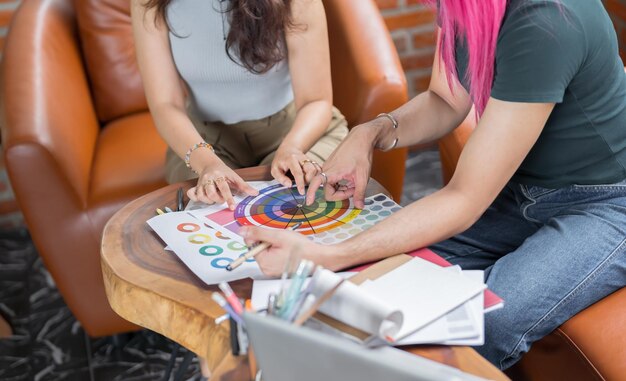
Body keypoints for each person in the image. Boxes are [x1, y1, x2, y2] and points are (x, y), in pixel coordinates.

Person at [240, 0, 626, 370]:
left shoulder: (546, 22)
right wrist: (371, 131)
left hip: (607, 203)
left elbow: (464, 199)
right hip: (520, 188)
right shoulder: (470, 6)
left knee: (487, 321)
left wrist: (331, 254)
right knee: (386, 273)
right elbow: (445, 100)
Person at [131, 0, 348, 210]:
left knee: (294, 204)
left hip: (298, 133)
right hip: (202, 143)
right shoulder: (148, 4)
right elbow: (165, 104)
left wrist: (292, 148)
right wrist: (206, 164)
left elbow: (316, 101)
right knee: (215, 224)